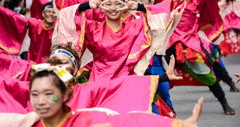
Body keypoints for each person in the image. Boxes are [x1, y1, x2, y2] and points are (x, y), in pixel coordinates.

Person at [27, 64, 204, 127]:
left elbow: (130, 121)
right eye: (35, 94)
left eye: (49, 94)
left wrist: (179, 124)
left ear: (66, 94)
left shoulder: (86, 120)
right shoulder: (24, 121)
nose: (41, 101)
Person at [165, 0, 240, 115]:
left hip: (191, 45)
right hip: (171, 45)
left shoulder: (196, 1)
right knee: (156, 74)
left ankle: (224, 101)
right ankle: (155, 110)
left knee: (209, 70)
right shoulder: (171, 1)